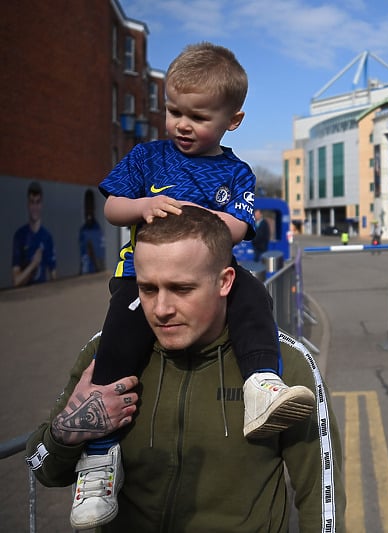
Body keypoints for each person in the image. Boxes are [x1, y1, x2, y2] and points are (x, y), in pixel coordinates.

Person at [75, 42, 315, 529]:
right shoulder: (147, 158)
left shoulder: (235, 172)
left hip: (211, 272)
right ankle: (99, 457)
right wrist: (141, 208)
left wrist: (202, 223)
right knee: (119, 346)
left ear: (233, 120)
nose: (182, 124)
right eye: (173, 111)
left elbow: (241, 225)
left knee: (254, 299)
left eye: (198, 116)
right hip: (137, 274)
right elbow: (112, 207)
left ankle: (261, 384)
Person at [25, 206, 345, 532]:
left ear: (224, 281)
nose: (161, 309)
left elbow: (322, 501)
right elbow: (43, 467)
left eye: (181, 289)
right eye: (148, 289)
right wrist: (69, 431)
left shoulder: (285, 363)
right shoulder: (105, 354)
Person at [12, 181, 57, 287]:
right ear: (28, 204)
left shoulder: (47, 237)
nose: (35, 207)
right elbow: (15, 281)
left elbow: (54, 276)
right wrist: (33, 265)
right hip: (23, 297)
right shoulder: (20, 236)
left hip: (42, 296)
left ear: (41, 205)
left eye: (38, 202)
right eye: (32, 202)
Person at [79, 189, 106, 274]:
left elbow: (98, 254)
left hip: (94, 272)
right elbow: (82, 254)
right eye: (86, 206)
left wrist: (98, 269)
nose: (88, 210)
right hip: (85, 271)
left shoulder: (96, 229)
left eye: (90, 206)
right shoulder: (83, 229)